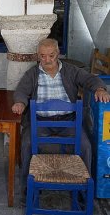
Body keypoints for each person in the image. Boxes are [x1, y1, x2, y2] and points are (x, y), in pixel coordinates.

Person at [12, 38, 110, 199]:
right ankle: (28, 190)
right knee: (27, 144)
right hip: (40, 121)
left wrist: (99, 88)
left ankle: (82, 191)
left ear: (57, 54)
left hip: (68, 121)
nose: (47, 60)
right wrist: (20, 103)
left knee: (85, 146)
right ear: (38, 56)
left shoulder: (71, 70)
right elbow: (21, 90)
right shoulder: (32, 73)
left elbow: (90, 79)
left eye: (51, 55)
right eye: (42, 56)